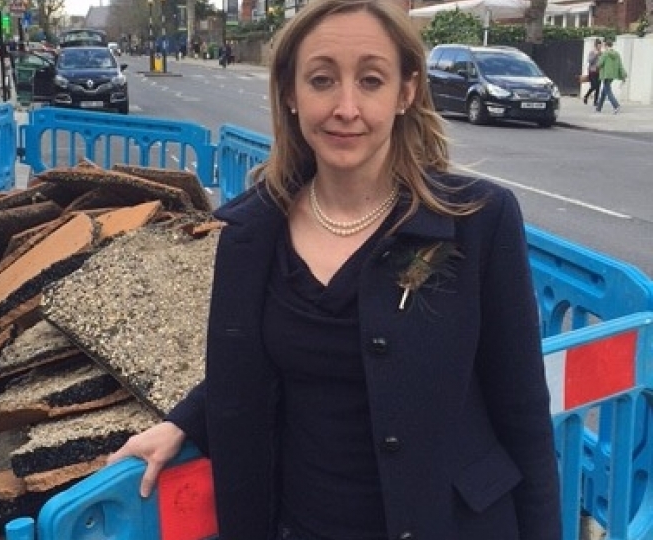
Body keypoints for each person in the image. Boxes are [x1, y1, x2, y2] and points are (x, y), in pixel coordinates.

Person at [108, 0, 562, 539]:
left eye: (371, 80)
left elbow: (524, 416)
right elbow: (255, 371)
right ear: (290, 94)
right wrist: (182, 422)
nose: (346, 107)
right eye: (322, 80)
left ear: (407, 91)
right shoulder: (250, 234)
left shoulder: (479, 223)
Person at [595, 38, 627, 114]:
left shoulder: (605, 54)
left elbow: (599, 64)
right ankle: (599, 108)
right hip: (612, 75)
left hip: (606, 75)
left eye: (604, 45)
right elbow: (620, 65)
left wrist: (598, 61)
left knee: (608, 91)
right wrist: (623, 75)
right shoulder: (617, 54)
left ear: (606, 46)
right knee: (604, 91)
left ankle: (616, 106)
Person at [583, 38, 601, 105]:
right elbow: (590, 61)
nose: (600, 47)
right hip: (592, 71)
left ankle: (595, 101)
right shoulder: (592, 52)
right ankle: (586, 96)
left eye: (600, 46)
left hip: (599, 72)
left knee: (598, 87)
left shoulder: (601, 53)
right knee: (594, 86)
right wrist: (596, 55)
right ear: (596, 46)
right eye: (599, 46)